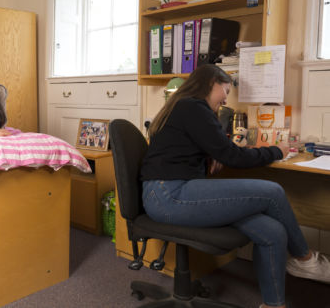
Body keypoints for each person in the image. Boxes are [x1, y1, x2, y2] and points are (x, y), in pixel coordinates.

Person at [141, 64, 330, 308]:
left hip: (170, 191)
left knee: (273, 231)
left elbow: (198, 148)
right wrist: (276, 150)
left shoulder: (182, 106)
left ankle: (274, 305)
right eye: (226, 90)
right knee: (273, 192)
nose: (227, 98)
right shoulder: (193, 107)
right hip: (170, 195)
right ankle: (304, 259)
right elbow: (234, 157)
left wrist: (213, 153)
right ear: (211, 83)